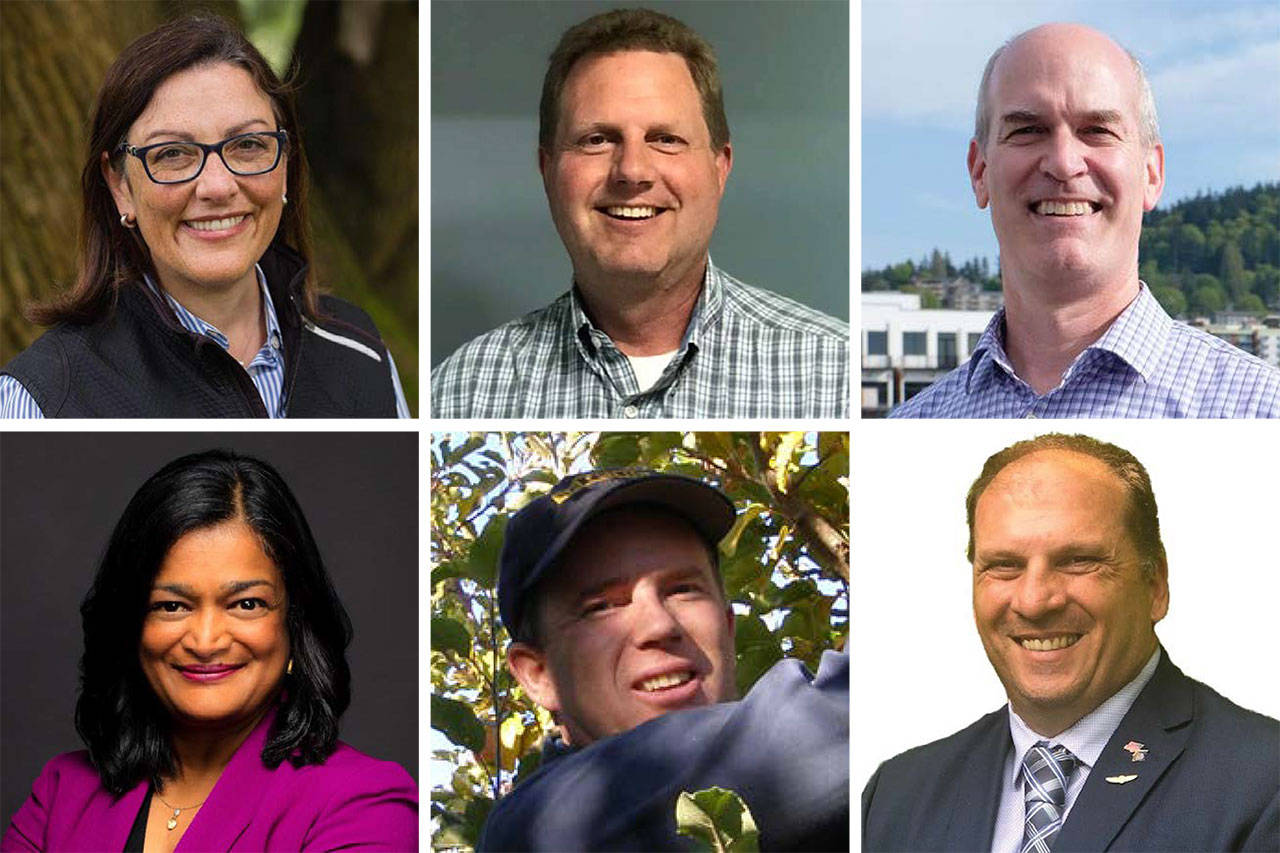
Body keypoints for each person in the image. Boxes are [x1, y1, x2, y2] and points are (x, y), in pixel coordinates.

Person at [861, 434, 1279, 851]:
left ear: (1155, 584)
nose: (1034, 601)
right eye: (1004, 566)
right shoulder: (894, 796)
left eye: (1078, 561)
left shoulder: (1263, 782)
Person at [431, 9, 848, 418]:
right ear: (548, 170)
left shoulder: (835, 373)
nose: (632, 171)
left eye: (665, 139)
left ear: (720, 168)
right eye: (597, 140)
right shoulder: (459, 391)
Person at [2, 450, 417, 850]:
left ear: (295, 621)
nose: (205, 641)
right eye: (171, 606)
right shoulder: (64, 793)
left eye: (246, 604)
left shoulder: (364, 804)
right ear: (131, 624)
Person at [0, 14, 410, 417]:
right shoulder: (43, 400)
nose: (217, 186)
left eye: (248, 145)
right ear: (120, 186)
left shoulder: (361, 353)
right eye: (173, 154)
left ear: (286, 164)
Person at [891, 23, 1280, 418]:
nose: (1063, 163)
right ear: (980, 172)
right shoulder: (906, 433)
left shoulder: (1263, 413)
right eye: (1028, 130)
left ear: (1151, 174)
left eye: (1097, 131)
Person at [478, 468, 848, 850]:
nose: (659, 624)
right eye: (601, 607)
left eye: (683, 590)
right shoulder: (537, 827)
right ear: (538, 676)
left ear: (728, 626)